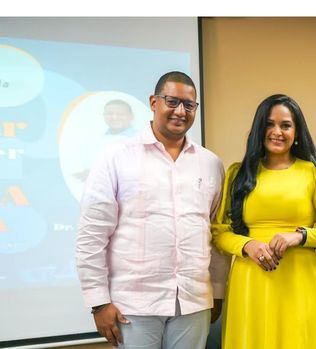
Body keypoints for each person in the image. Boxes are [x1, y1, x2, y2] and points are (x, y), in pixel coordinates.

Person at [75, 71, 230, 349]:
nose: (180, 111)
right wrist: (98, 303)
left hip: (193, 301)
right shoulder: (116, 157)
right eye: (172, 101)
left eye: (189, 105)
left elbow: (215, 234)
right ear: (153, 102)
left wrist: (216, 292)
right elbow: (92, 234)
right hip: (134, 304)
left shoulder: (211, 164)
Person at [212, 94, 316, 349]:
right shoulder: (237, 173)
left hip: (301, 281)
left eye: (285, 125)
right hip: (250, 281)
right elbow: (219, 232)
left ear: (296, 132)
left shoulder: (315, 171)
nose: (277, 131)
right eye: (269, 124)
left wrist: (300, 236)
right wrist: (247, 246)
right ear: (259, 129)